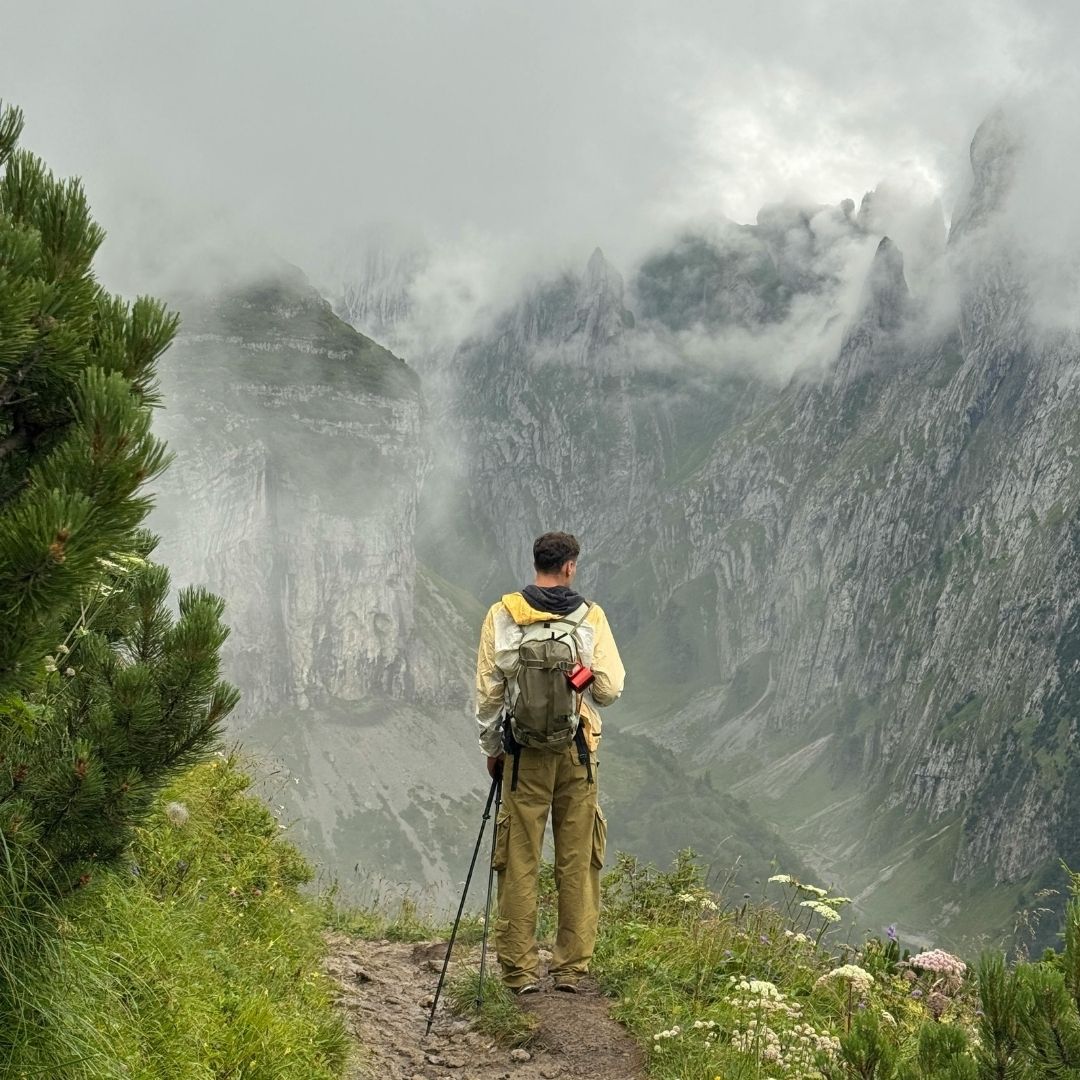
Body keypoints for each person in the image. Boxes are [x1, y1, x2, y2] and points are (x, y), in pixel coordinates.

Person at [474, 531, 625, 994]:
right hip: (576, 753)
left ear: (536, 562)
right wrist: (575, 677)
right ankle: (569, 969)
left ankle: (519, 970)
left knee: (519, 859)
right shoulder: (589, 617)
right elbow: (609, 690)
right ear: (570, 567)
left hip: (523, 755)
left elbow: (488, 695)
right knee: (577, 859)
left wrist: (493, 750)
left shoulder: (502, 615)